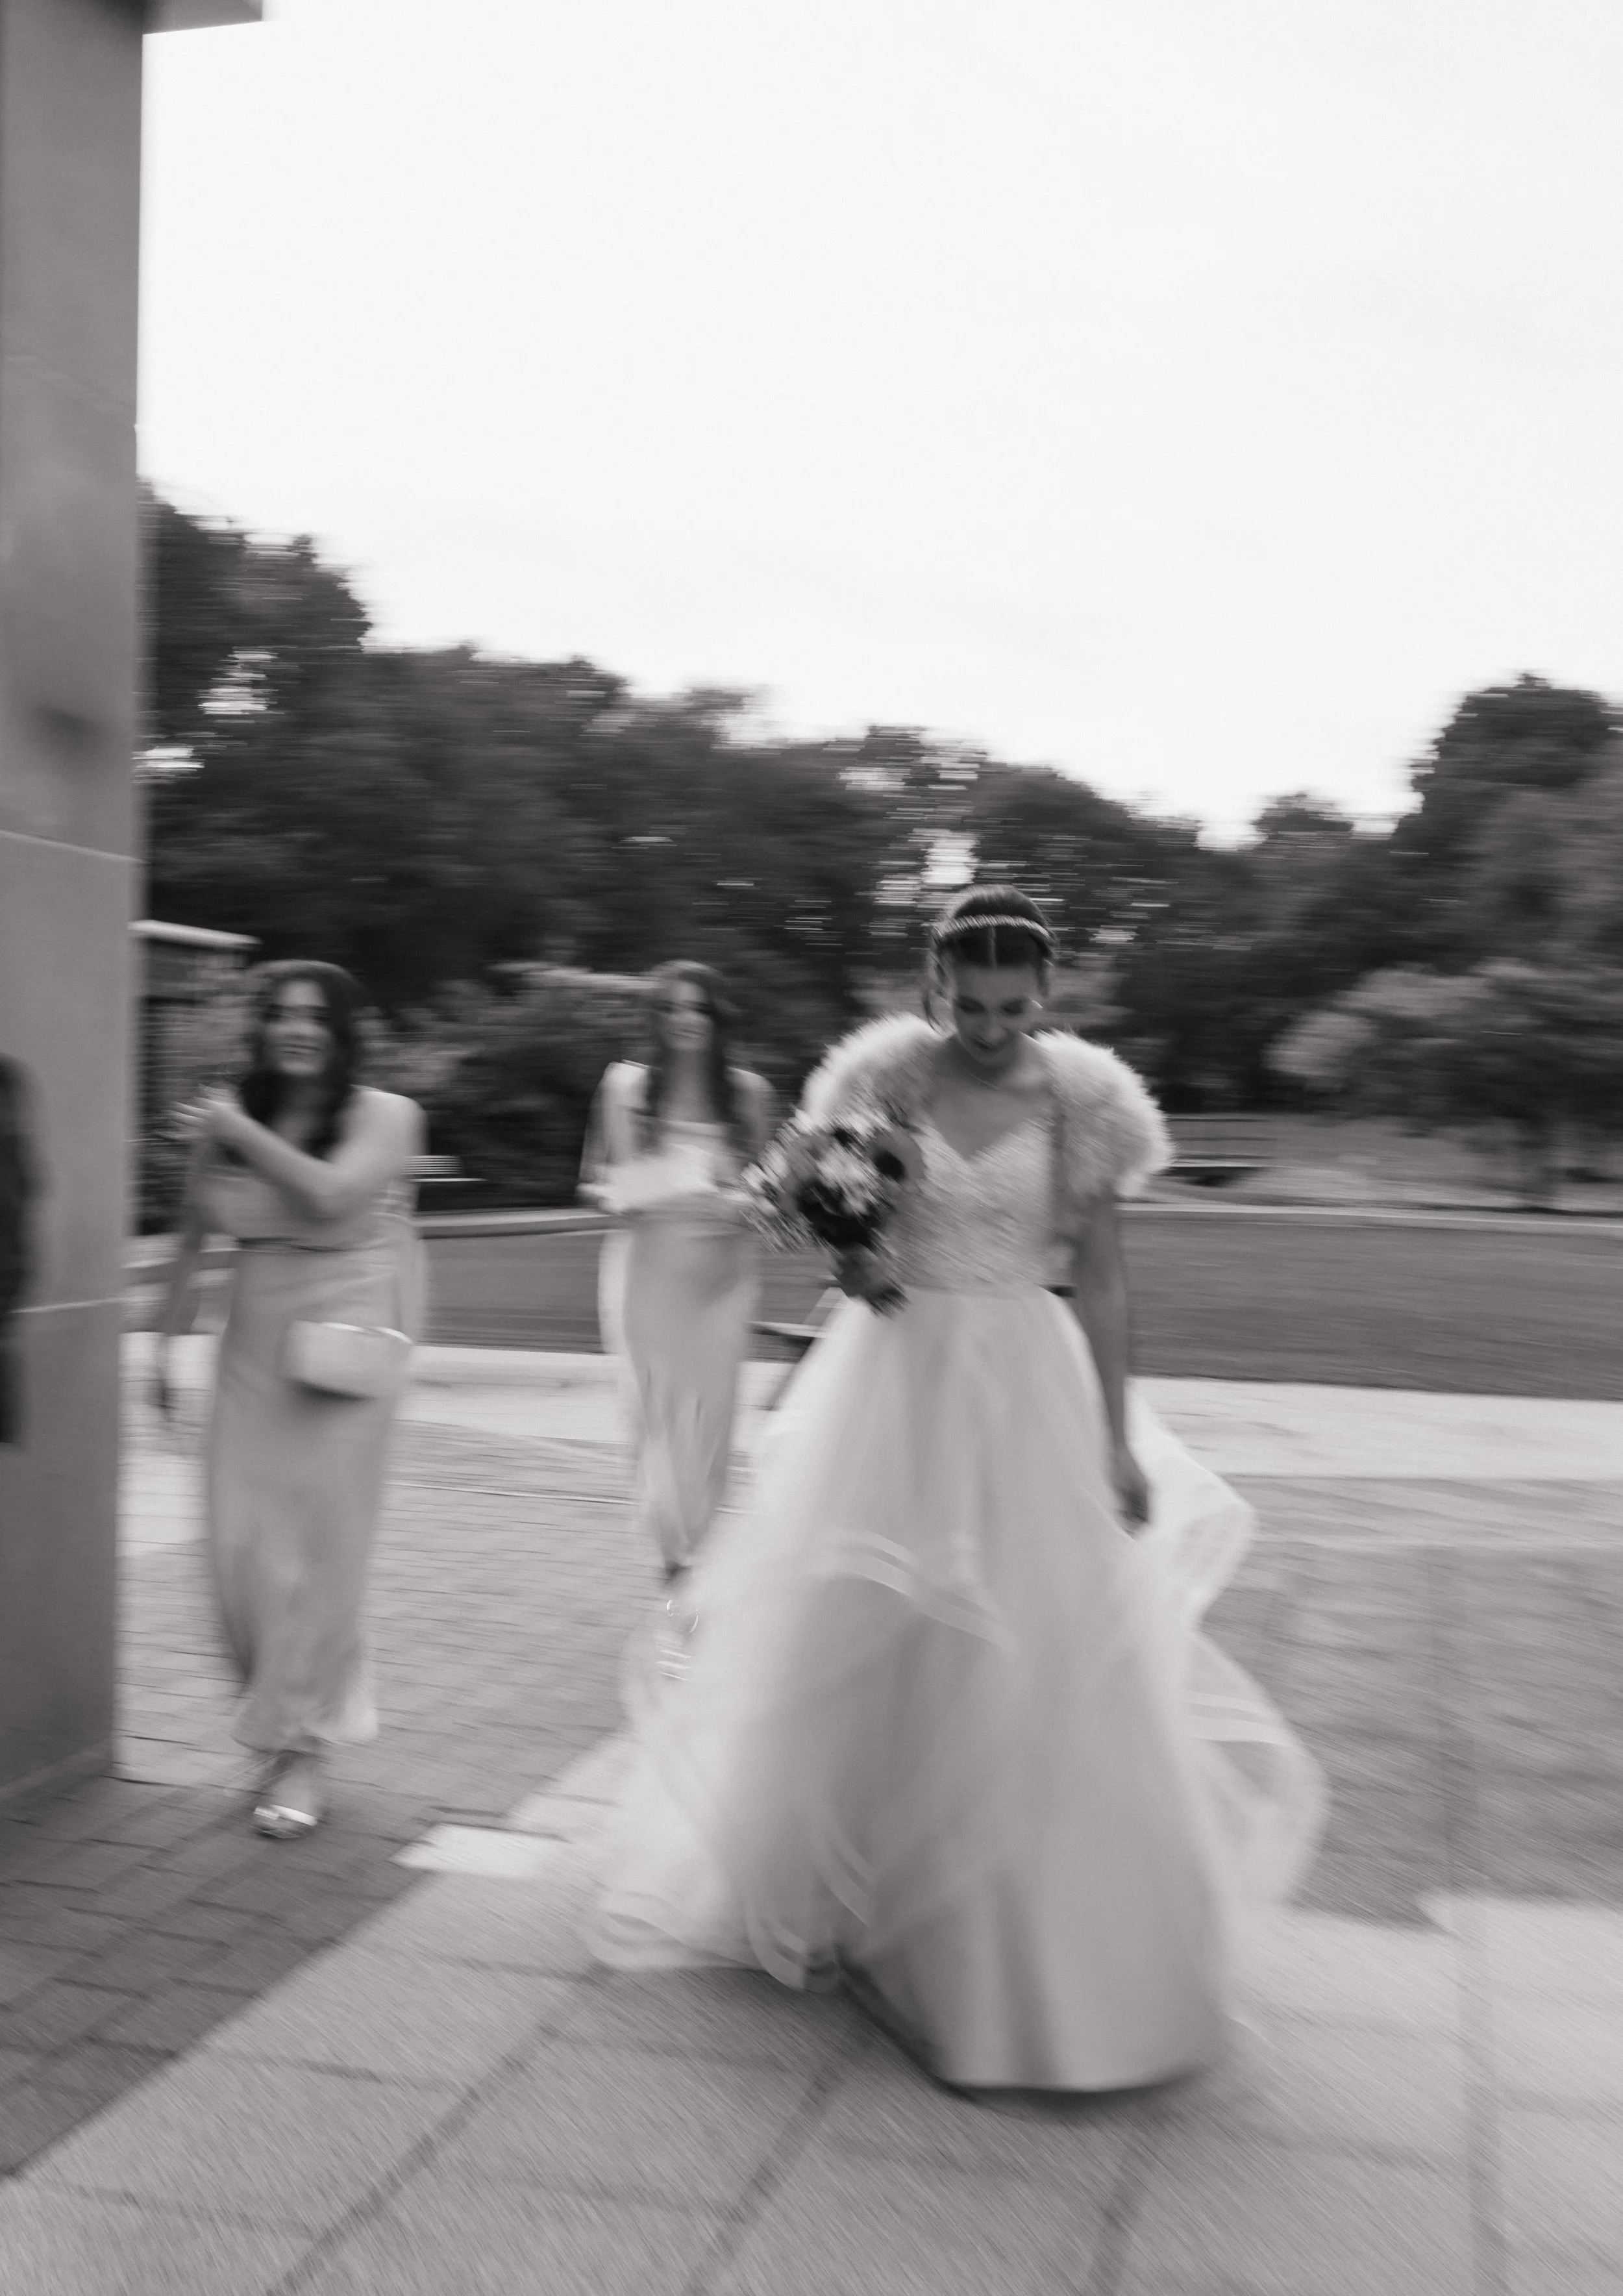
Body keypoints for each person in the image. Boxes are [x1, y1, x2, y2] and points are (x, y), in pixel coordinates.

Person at [589, 886, 1324, 2093]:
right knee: (871, 1627)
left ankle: (1019, 1944)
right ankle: (863, 1902)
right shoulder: (881, 1078)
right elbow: (826, 1207)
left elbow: (1101, 1282)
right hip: (894, 1375)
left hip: (1019, 1382)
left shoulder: (1087, 1105)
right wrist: (856, 1248)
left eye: (1015, 1007)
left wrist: (1117, 1437)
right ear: (936, 988)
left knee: (1031, 1645)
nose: (990, 1026)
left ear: (1047, 998)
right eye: (969, 1004)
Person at [155, 962, 425, 1839]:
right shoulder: (234, 1116)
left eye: (315, 1017)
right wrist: (164, 1341)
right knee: (237, 1553)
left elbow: (333, 1193)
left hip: (339, 1360)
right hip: (250, 1353)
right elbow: (194, 1233)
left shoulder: (387, 1114)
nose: (297, 1029)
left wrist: (232, 1124)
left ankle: (301, 1750)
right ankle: (280, 1720)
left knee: (316, 1559)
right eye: (281, 1015)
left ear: (344, 1032)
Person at [581, 963, 775, 1619]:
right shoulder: (625, 1086)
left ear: (719, 1019)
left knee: (711, 1419)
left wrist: (740, 1200)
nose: (686, 1019)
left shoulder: (749, 1094)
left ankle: (707, 1554)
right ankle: (673, 1564)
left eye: (699, 1009)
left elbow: (768, 1191)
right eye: (672, 1009)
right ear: (657, 1021)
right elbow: (601, 1181)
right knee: (656, 1417)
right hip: (646, 1269)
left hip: (723, 1275)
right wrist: (639, 1188)